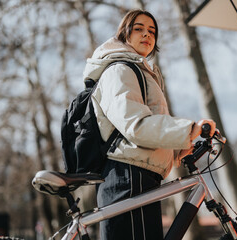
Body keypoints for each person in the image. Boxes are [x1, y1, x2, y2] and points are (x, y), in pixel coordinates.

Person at [82, 9, 216, 240]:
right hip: (128, 176)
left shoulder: (140, 72)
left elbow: (139, 135)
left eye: (152, 31)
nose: (147, 34)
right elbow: (136, 125)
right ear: (124, 34)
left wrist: (177, 150)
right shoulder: (120, 70)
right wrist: (188, 129)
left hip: (138, 175)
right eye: (139, 29)